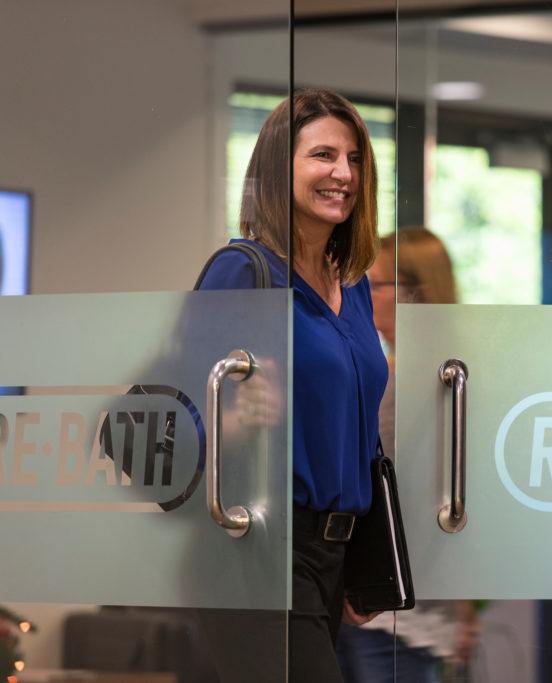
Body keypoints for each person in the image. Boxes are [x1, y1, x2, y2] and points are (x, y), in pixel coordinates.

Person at [198, 89, 387, 682]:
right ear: (280, 171)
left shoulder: (352, 284)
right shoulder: (243, 271)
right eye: (323, 155)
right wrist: (240, 414)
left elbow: (358, 432)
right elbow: (185, 405)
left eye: (354, 159)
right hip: (261, 546)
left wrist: (364, 559)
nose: (343, 174)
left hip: (332, 553)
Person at [336, 227, 479, 683]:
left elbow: (398, 499)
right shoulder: (436, 373)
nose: (360, 293)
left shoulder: (408, 381)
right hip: (409, 613)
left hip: (391, 614)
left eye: (373, 283)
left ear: (413, 293)